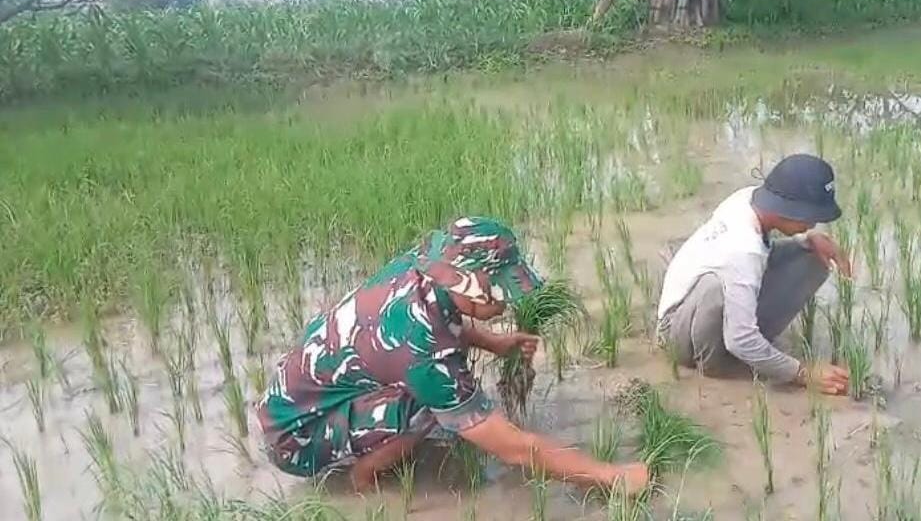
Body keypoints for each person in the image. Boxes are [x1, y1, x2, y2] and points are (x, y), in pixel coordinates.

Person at [258, 217, 648, 494]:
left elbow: (441, 321)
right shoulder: (424, 351)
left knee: (432, 390)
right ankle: (364, 482)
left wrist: (495, 342)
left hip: (298, 400)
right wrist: (611, 475)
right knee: (426, 407)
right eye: (499, 292)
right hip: (296, 438)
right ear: (469, 282)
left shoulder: (419, 272)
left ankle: (370, 443)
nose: (504, 304)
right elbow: (512, 448)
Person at [656, 154, 852, 394]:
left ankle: (752, 351)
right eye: (809, 217)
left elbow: (760, 255)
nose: (812, 225)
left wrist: (806, 241)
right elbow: (740, 339)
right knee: (718, 291)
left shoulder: (748, 199)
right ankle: (718, 364)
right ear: (788, 209)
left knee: (812, 258)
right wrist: (802, 372)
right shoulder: (743, 249)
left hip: (705, 303)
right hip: (676, 331)